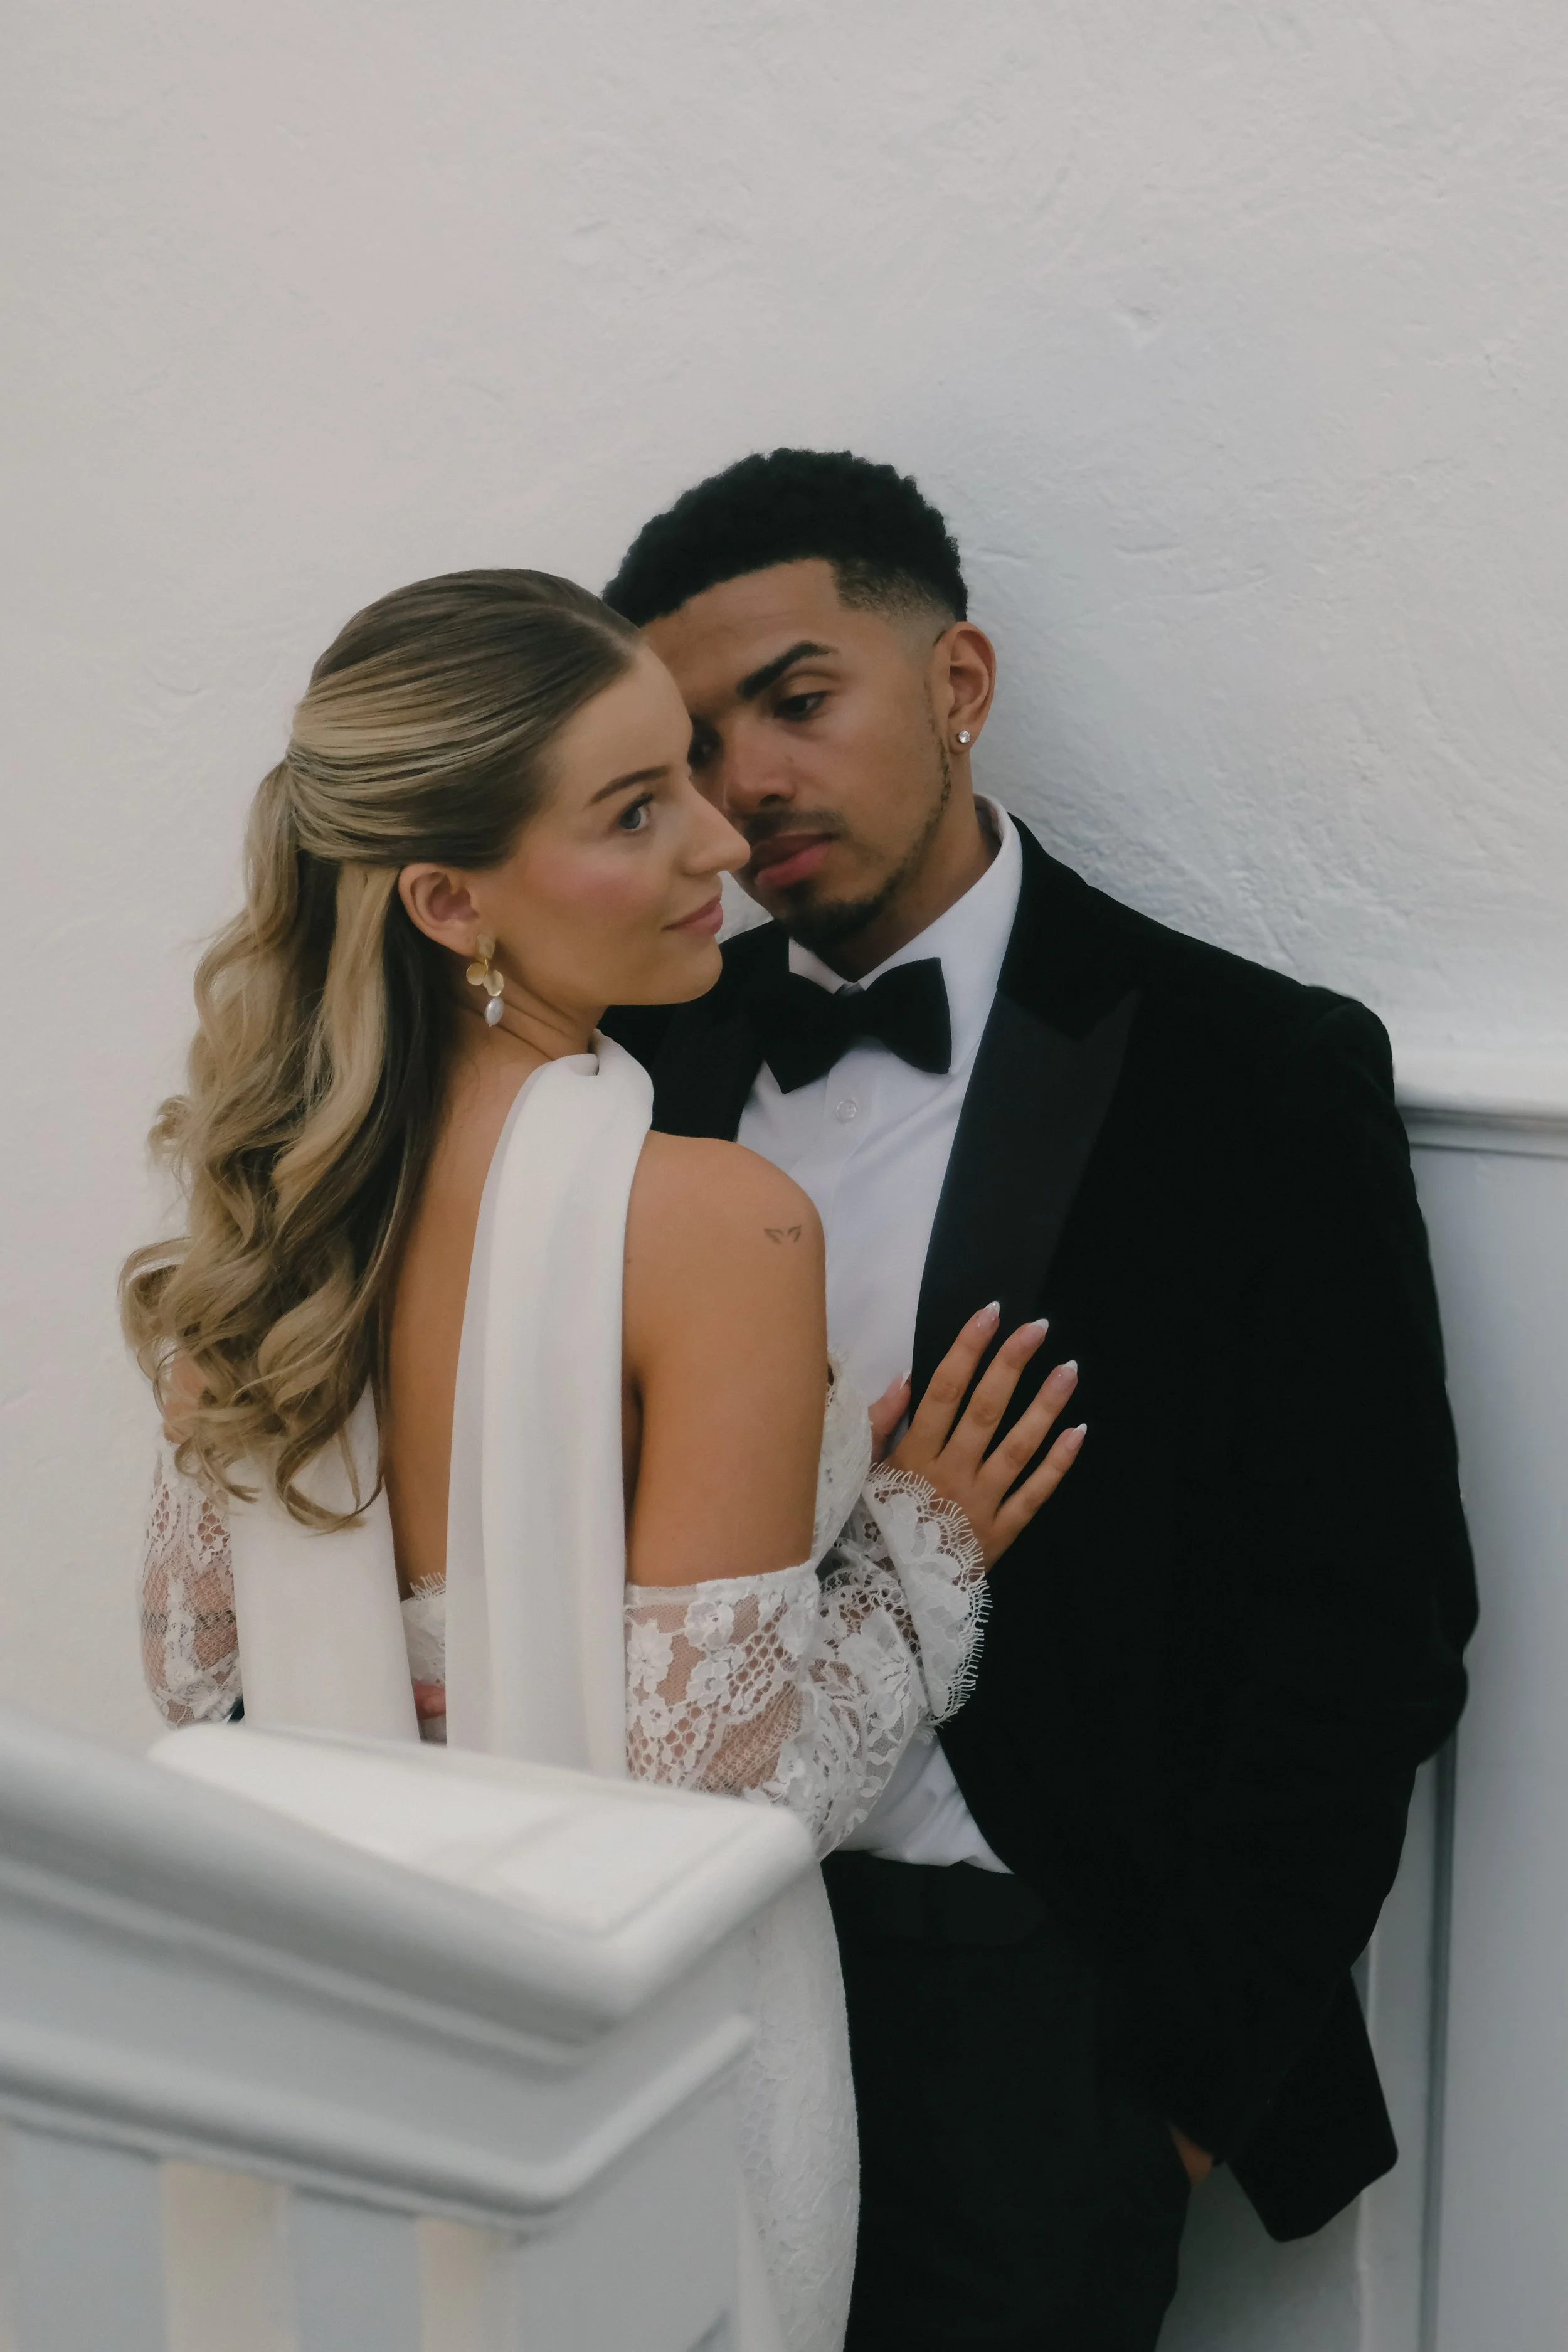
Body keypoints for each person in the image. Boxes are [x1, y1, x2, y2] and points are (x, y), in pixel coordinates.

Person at [123, 569, 1088, 2352]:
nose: (722, 836)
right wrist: (922, 1552)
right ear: (445, 899)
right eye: (638, 807)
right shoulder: (715, 1225)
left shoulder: (272, 1220)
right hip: (654, 2104)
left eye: (693, 778)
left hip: (334, 2090)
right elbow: (703, 1818)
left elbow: (204, 1688)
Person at [600, 449, 1478, 2351]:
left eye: (798, 698)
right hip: (668, 1989)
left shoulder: (1251, 1074)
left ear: (958, 684)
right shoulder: (623, 1060)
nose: (744, 780)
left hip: (1025, 2012)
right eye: (690, 741)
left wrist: (1163, 2090)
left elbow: (1372, 1627)